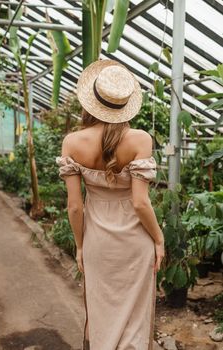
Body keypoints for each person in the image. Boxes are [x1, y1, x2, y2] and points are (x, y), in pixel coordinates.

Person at [56, 59, 164, 350]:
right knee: (134, 319)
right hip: (134, 240)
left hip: (97, 241)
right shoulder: (140, 139)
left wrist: (80, 246)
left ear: (91, 101)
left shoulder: (72, 142)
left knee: (102, 313)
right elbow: (141, 203)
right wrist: (158, 238)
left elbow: (75, 207)